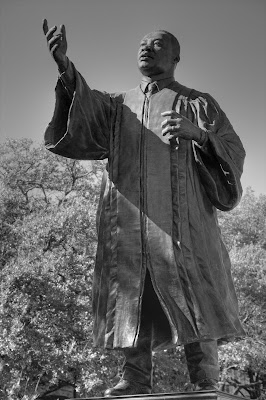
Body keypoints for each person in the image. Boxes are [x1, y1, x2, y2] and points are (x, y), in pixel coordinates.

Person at [42, 19, 246, 396]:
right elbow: (83, 117)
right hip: (128, 218)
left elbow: (233, 150)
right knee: (131, 293)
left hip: (184, 221)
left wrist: (198, 134)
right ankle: (134, 377)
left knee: (195, 288)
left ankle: (204, 379)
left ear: (176, 56)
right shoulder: (118, 106)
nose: (146, 47)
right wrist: (65, 67)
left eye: (157, 43)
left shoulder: (198, 102)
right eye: (142, 43)